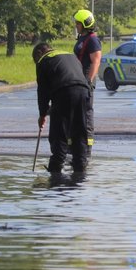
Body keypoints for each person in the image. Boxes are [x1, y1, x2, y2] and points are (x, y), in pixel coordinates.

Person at [33, 42, 92, 173]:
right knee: (79, 132)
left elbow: (42, 92)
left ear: (38, 54)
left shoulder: (43, 61)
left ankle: (55, 171)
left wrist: (42, 115)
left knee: (59, 133)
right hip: (83, 92)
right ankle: (80, 168)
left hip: (64, 92)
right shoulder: (70, 55)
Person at [73, 9, 101, 151]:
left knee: (86, 113)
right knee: (75, 112)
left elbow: (96, 61)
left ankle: (87, 147)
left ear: (84, 24)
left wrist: (88, 81)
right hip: (78, 79)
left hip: (85, 81)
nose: (76, 25)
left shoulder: (93, 40)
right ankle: (74, 145)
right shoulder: (82, 38)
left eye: (78, 23)